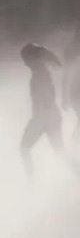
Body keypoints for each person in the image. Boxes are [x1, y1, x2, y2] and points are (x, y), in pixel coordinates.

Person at [20, 43, 69, 182]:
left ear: (32, 59)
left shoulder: (40, 74)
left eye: (26, 60)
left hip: (44, 117)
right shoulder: (41, 72)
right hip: (49, 116)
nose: (25, 64)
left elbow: (46, 98)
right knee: (60, 151)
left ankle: (30, 183)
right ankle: (31, 182)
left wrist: (40, 118)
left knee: (24, 148)